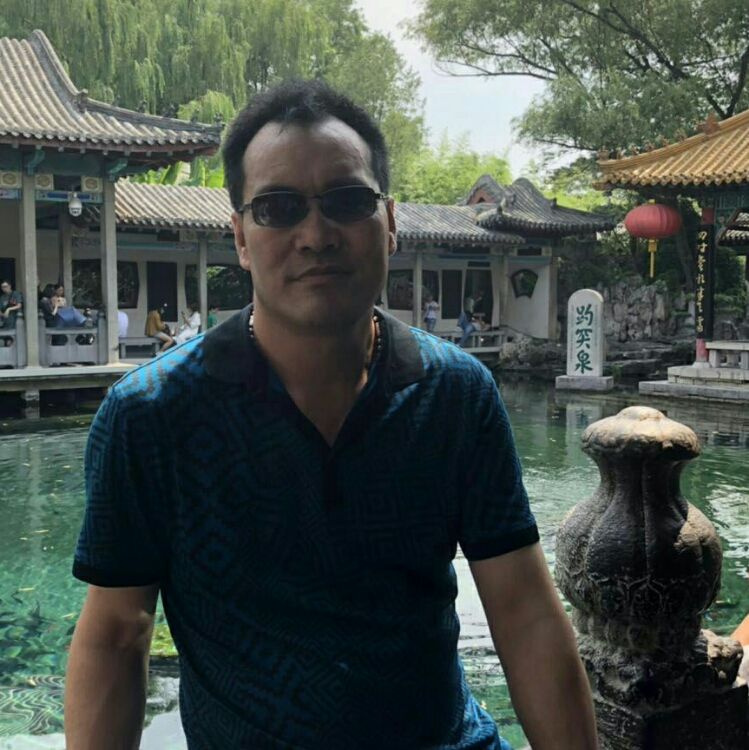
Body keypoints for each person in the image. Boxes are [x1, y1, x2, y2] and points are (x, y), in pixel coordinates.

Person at [65, 79, 598, 750]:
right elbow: (118, 633)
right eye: (278, 208)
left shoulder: (456, 395)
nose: (315, 235)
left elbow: (522, 613)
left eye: (347, 201)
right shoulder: (150, 415)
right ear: (239, 236)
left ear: (390, 222)